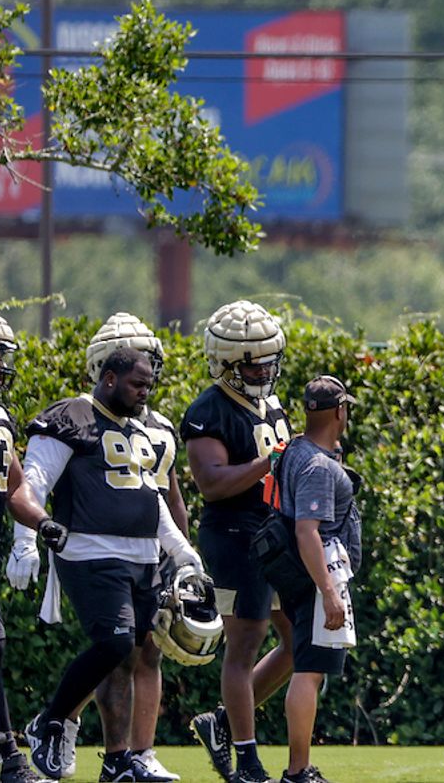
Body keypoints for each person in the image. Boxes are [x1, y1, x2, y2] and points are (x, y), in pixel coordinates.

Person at [13, 348, 207, 782]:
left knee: (134, 653)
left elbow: (150, 499)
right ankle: (51, 720)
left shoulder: (136, 428)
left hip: (142, 557)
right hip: (90, 551)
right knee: (116, 644)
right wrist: (28, 536)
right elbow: (32, 483)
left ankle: (119, 762)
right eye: (138, 384)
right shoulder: (72, 416)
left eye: (148, 386)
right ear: (110, 379)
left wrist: (181, 551)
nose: (145, 394)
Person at [182, 301, 294, 783]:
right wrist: (269, 463)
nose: (265, 369)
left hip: (276, 533)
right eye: (254, 362)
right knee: (245, 642)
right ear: (226, 364)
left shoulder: (272, 404)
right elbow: (211, 482)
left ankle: (224, 724)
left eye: (270, 359)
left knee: (301, 641)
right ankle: (247, 758)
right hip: (232, 537)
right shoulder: (208, 410)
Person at [274, 376, 363, 783]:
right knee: (309, 670)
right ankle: (298, 770)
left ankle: (299, 767)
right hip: (319, 572)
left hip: (310, 572)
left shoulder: (298, 448)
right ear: (340, 411)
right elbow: (307, 530)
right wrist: (328, 592)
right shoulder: (317, 464)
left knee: (310, 667)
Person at [0, 308, 47, 783]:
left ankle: (0, 748)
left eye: (3, 354)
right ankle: (6, 752)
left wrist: (41, 525)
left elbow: (15, 485)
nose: (0, 363)